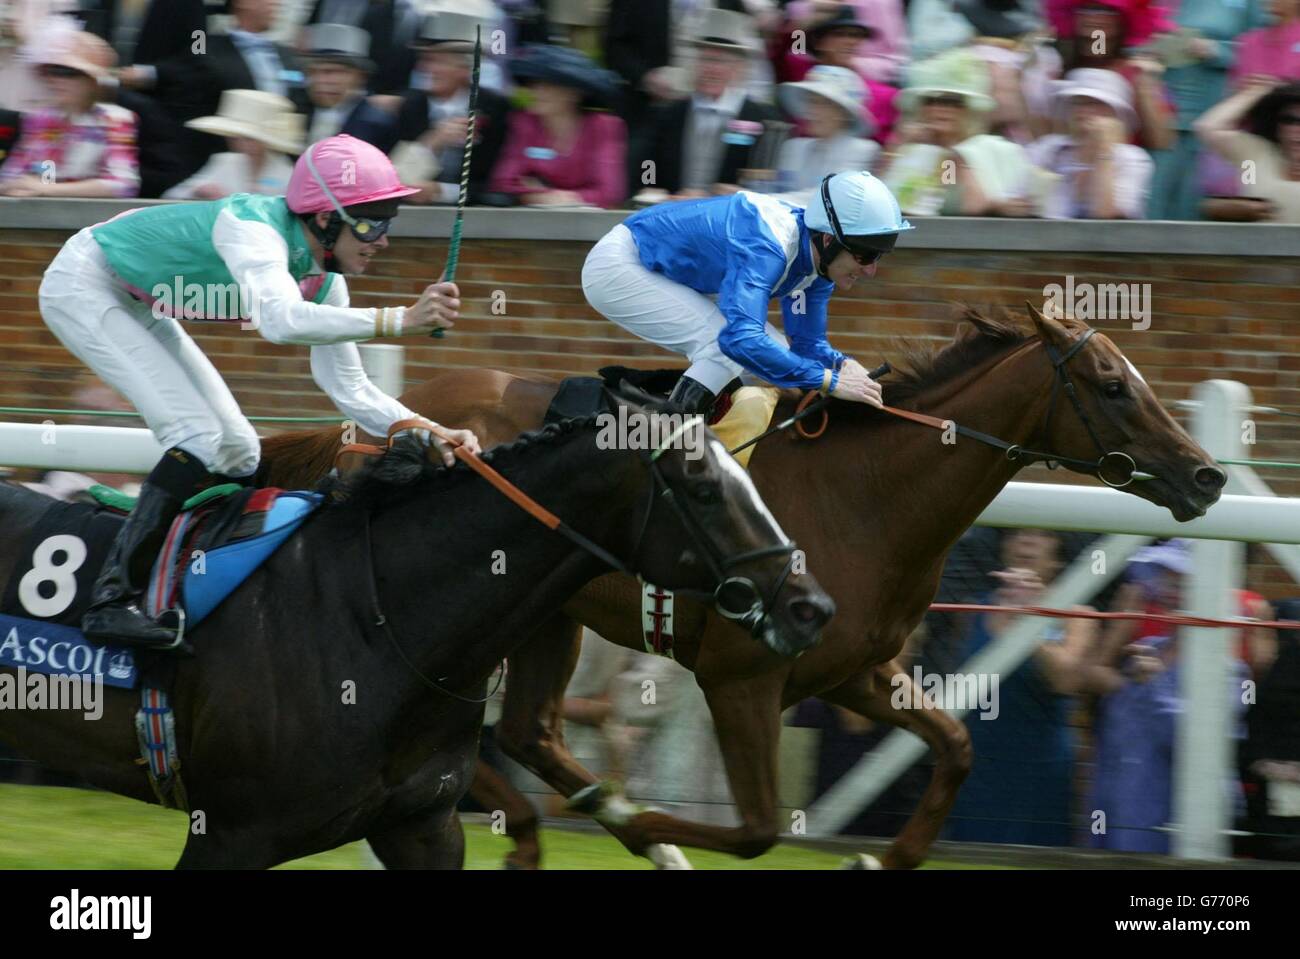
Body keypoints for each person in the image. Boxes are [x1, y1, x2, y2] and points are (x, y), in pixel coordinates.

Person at [37, 134, 481, 649]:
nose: (383, 239)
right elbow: (279, 321)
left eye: (388, 221)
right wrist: (401, 319)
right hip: (86, 283)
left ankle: (186, 578)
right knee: (200, 437)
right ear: (324, 218)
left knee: (239, 449)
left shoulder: (326, 279)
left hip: (139, 298)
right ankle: (111, 601)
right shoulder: (251, 228)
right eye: (373, 221)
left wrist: (431, 434)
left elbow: (351, 388)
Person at [581, 170, 906, 417]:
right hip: (620, 264)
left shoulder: (819, 266)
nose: (870, 270)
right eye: (864, 255)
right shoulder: (767, 247)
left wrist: (842, 366)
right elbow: (740, 340)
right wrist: (830, 382)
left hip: (663, 268)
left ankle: (706, 427)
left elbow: (807, 346)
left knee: (778, 349)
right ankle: (665, 445)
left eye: (878, 257)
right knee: (724, 346)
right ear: (827, 239)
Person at [631, 8, 783, 201]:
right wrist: (651, 187)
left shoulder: (761, 120)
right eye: (704, 59)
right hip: (674, 219)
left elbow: (767, 185)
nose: (711, 69)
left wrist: (739, 192)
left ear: (738, 67)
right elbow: (647, 165)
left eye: (720, 61)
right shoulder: (668, 116)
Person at [881, 48, 1039, 216]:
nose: (941, 109)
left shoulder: (987, 149)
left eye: (953, 102)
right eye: (932, 101)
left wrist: (954, 157)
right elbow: (880, 198)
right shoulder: (912, 150)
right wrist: (898, 147)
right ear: (921, 107)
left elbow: (958, 204)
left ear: (968, 110)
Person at [0, 28, 138, 198]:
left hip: (94, 219)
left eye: (69, 73)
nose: (56, 80)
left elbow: (123, 185)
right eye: (52, 71)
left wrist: (47, 189)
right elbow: (14, 174)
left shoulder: (115, 119)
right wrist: (35, 187)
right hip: (43, 213)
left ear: (93, 82)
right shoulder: (41, 119)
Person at [392, 11, 510, 206]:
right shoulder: (410, 106)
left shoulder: (494, 107)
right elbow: (395, 179)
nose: (426, 69)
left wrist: (442, 192)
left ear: (466, 69)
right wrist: (433, 141)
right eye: (424, 60)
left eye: (438, 61)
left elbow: (496, 185)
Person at [488, 44, 626, 208]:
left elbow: (610, 193)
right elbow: (502, 182)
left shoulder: (604, 126)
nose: (537, 93)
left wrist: (549, 195)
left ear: (574, 94)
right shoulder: (524, 122)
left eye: (548, 86)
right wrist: (549, 197)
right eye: (534, 85)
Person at [1027, 68, 1155, 219]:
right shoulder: (1047, 148)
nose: (1084, 110)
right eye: (1078, 103)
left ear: (1115, 114)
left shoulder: (1133, 158)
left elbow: (1105, 214)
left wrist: (1104, 152)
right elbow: (1025, 203)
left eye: (1096, 103)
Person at [163, 89, 305, 200]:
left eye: (249, 138)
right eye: (236, 136)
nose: (240, 142)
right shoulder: (224, 162)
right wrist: (199, 191)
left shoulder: (287, 173)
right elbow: (172, 195)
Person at [1195, 79, 1300, 223]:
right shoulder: (1254, 154)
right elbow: (1208, 127)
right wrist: (1258, 91)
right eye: (1289, 120)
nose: (1296, 129)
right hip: (1255, 243)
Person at [774, 65, 878, 201]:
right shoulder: (793, 147)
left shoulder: (862, 150)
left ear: (843, 113)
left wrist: (761, 201)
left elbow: (829, 197)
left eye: (821, 104)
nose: (810, 110)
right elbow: (779, 188)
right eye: (810, 102)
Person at [297, 22, 401, 153]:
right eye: (313, 72)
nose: (322, 80)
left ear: (360, 77)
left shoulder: (379, 126)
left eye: (335, 72)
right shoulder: (295, 113)